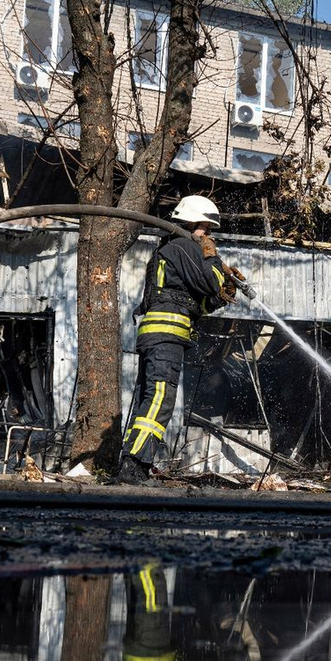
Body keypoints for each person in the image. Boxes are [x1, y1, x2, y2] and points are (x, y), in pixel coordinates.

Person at [117, 195, 245, 484]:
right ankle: (134, 465)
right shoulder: (184, 246)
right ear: (193, 222)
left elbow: (195, 302)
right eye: (206, 229)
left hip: (161, 333)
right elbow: (209, 280)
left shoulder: (173, 249)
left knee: (150, 399)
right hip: (166, 333)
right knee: (160, 399)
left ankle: (135, 464)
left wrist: (221, 298)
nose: (208, 235)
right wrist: (212, 258)